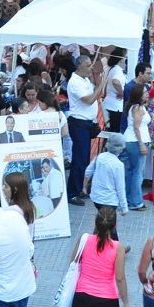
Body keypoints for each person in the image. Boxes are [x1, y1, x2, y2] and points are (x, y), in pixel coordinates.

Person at [67, 55, 109, 206]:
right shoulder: (75, 82)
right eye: (88, 66)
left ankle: (77, 189)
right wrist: (101, 84)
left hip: (87, 123)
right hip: (78, 123)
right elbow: (90, 99)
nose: (91, 68)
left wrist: (98, 79)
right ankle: (72, 193)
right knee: (79, 159)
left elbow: (97, 93)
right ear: (80, 68)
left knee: (84, 159)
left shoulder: (84, 79)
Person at [83, 133, 127, 219]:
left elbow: (88, 172)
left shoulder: (99, 157)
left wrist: (84, 187)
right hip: (109, 201)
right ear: (121, 149)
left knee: (102, 223)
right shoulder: (118, 165)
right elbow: (120, 188)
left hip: (96, 198)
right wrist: (124, 207)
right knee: (109, 228)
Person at [122, 84, 151, 212]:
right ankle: (135, 202)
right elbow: (136, 127)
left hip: (131, 140)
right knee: (137, 173)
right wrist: (141, 144)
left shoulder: (134, 107)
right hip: (136, 142)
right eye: (144, 92)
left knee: (132, 172)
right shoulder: (138, 108)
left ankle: (130, 199)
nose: (147, 94)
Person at [103, 50, 127, 133]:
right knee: (116, 129)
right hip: (116, 104)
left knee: (112, 128)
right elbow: (115, 81)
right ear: (121, 59)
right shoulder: (118, 70)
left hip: (109, 101)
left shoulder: (108, 68)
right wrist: (122, 93)